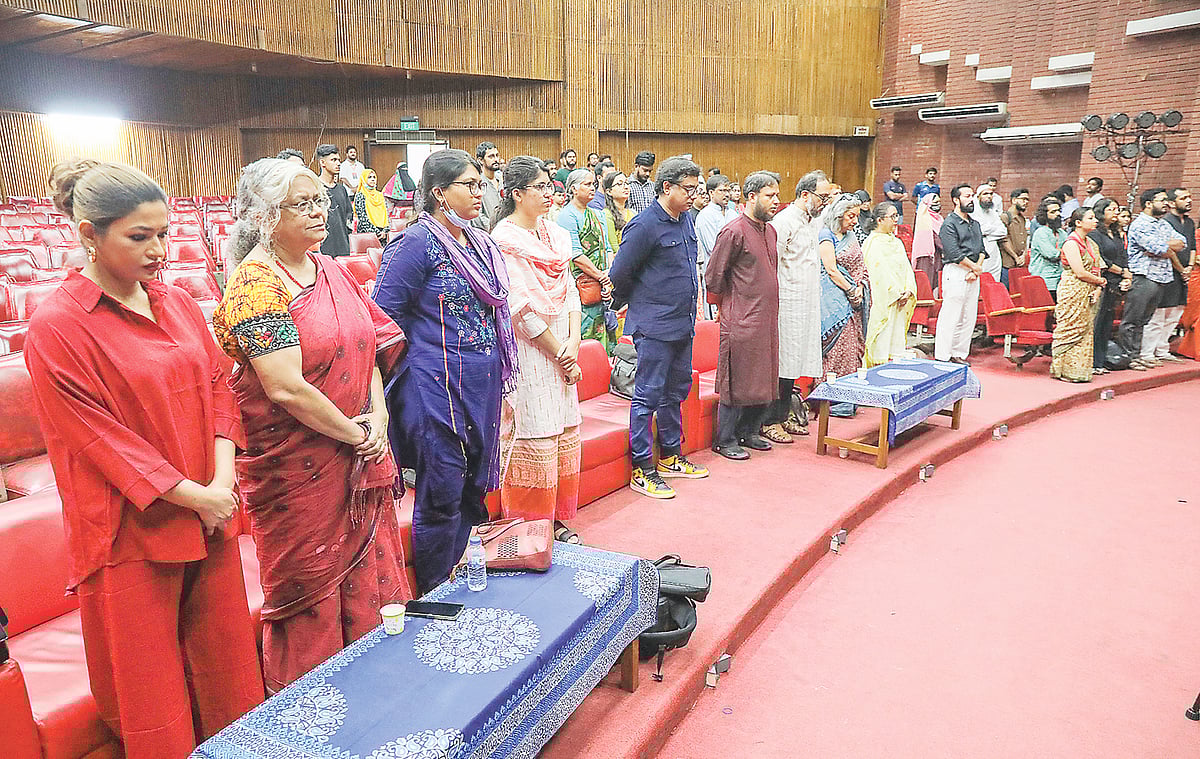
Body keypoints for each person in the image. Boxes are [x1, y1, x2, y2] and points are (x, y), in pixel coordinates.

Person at [27, 160, 263, 755]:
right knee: (150, 696)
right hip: (132, 532)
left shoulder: (177, 301)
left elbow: (217, 387)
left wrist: (222, 482)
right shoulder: (58, 326)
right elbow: (99, 440)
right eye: (140, 237)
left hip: (209, 514)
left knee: (228, 675)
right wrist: (199, 496)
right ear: (88, 234)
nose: (160, 250)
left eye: (162, 233)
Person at [212, 158, 411, 691]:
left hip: (360, 446)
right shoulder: (254, 286)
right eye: (302, 204)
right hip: (296, 468)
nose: (319, 210)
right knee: (310, 590)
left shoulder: (331, 268)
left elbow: (366, 343)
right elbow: (284, 386)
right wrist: (355, 433)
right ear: (262, 217)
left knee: (370, 570)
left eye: (319, 200)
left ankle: (377, 686)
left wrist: (380, 415)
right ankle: (309, 707)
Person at [373, 149, 517, 594]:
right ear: (438, 193)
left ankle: (466, 576)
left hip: (481, 384)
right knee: (442, 489)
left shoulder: (479, 241)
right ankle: (437, 592)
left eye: (480, 184)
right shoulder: (415, 244)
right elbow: (380, 317)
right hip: (435, 387)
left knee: (474, 486)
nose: (480, 192)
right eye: (469, 185)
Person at [491, 157, 584, 544]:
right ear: (517, 194)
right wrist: (559, 350)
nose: (550, 193)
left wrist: (574, 345)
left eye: (551, 186)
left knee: (563, 431)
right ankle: (529, 525)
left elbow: (572, 294)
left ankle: (558, 520)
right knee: (535, 431)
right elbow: (520, 308)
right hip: (532, 351)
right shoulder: (504, 240)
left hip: (564, 345)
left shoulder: (555, 235)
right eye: (540, 187)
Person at [609, 155, 710, 499]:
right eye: (688, 189)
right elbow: (620, 273)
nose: (693, 196)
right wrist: (635, 305)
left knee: (675, 391)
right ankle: (643, 467)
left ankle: (670, 455)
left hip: (682, 323)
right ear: (666, 187)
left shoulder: (685, 220)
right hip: (654, 325)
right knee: (648, 394)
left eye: (696, 189)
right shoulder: (644, 225)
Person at [704, 171, 781, 457]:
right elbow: (714, 277)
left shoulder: (770, 231)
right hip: (742, 319)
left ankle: (750, 431)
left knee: (763, 376)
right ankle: (725, 439)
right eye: (769, 196)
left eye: (776, 196)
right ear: (751, 197)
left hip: (767, 318)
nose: (776, 202)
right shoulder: (734, 231)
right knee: (737, 379)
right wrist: (732, 305)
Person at [766, 170, 832, 436]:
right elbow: (773, 263)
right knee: (782, 365)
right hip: (787, 303)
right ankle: (770, 421)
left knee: (793, 364)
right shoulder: (784, 221)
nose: (825, 202)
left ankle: (783, 416)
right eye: (822, 197)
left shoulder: (809, 221)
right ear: (805, 195)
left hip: (805, 304)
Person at [1118, 188, 1186, 371]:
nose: (1166, 203)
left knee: (1143, 320)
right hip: (1143, 276)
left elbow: (1182, 242)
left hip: (1161, 277)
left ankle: (1138, 355)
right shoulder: (1140, 224)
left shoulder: (1163, 223)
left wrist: (1163, 246)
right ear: (1148, 204)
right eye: (1161, 200)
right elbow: (1158, 248)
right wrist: (1164, 247)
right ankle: (1128, 357)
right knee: (1132, 320)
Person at [818, 193, 872, 414]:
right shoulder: (825, 234)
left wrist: (860, 288)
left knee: (851, 350)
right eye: (851, 216)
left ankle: (847, 399)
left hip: (853, 301)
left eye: (856, 216)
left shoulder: (851, 236)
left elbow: (861, 266)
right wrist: (850, 290)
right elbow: (830, 269)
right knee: (836, 349)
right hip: (832, 300)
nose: (854, 221)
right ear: (839, 215)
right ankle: (829, 398)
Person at [556, 168, 616, 354]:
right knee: (583, 336)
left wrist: (608, 276)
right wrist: (601, 276)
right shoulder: (567, 216)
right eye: (587, 184)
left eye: (593, 184)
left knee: (606, 333)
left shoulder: (598, 215)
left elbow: (607, 248)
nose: (593, 188)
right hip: (580, 287)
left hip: (602, 286)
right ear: (574, 189)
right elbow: (575, 254)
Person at [1049, 209, 1106, 382]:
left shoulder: (1092, 244)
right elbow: (1080, 272)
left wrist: (1098, 288)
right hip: (1073, 289)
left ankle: (1079, 372)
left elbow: (1098, 268)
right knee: (1070, 328)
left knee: (1086, 329)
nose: (1095, 220)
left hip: (1090, 289)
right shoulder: (1071, 243)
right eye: (1090, 218)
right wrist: (1100, 281)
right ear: (1078, 222)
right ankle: (1061, 369)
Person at [935, 184, 984, 365]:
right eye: (967, 196)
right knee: (951, 314)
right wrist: (973, 268)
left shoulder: (975, 224)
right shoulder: (949, 224)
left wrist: (976, 269)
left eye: (972, 196)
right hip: (956, 271)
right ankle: (943, 355)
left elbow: (982, 250)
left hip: (973, 272)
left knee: (968, 316)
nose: (971, 199)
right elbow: (953, 252)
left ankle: (959, 354)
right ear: (956, 200)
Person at [863, 203, 916, 366]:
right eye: (892, 216)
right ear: (879, 220)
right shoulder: (872, 243)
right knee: (881, 341)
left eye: (897, 216)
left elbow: (907, 269)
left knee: (895, 344)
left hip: (900, 301)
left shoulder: (897, 242)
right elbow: (877, 275)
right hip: (884, 301)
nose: (896, 220)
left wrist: (908, 290)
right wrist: (895, 294)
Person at [1089, 198, 1131, 375]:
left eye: (1117, 209)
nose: (1115, 212)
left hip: (1115, 283)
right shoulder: (1094, 234)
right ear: (1101, 212)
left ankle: (1100, 362)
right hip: (1101, 281)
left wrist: (1127, 275)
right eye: (1111, 209)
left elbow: (1122, 255)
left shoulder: (1116, 233)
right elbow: (1102, 261)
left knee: (1106, 325)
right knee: (1096, 324)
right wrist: (1122, 272)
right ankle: (1090, 362)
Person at [1158, 187, 1195, 362]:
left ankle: (1163, 348)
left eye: (1189, 197)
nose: (1188, 200)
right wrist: (1181, 269)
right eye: (1183, 198)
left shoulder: (1189, 222)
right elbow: (1168, 249)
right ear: (1172, 203)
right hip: (1168, 272)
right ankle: (1152, 350)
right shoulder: (1165, 221)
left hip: (1186, 273)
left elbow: (1192, 247)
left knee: (1176, 312)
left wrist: (1189, 267)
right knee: (1161, 312)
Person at [315, 144, 352, 257]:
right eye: (333, 160)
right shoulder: (315, 189)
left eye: (338, 160)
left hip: (343, 247)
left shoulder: (341, 189)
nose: (338, 163)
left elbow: (348, 217)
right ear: (322, 163)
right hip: (323, 248)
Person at [1029, 197, 1067, 299]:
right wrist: (1064, 252)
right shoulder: (1041, 232)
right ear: (1045, 215)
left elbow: (1070, 250)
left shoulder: (1062, 233)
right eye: (1053, 212)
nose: (1058, 214)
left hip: (1061, 279)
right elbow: (1052, 254)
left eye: (1059, 211)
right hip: (1044, 280)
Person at [1000, 188, 1030, 285]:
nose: (1026, 202)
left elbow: (1024, 239)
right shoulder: (1005, 217)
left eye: (1027, 200)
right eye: (1023, 199)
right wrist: (1015, 257)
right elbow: (1004, 240)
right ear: (1014, 200)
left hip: (1019, 265)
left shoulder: (1022, 218)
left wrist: (1023, 255)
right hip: (1007, 264)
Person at [911, 192, 943, 285]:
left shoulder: (939, 218)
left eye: (939, 202)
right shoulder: (925, 218)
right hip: (926, 256)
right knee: (926, 282)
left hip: (938, 256)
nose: (938, 205)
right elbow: (936, 238)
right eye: (935, 203)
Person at [353, 169, 390, 244]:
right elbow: (363, 218)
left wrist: (384, 231)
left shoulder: (380, 195)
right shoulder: (360, 195)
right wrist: (377, 232)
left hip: (383, 235)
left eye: (374, 177)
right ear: (364, 179)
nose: (372, 179)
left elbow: (386, 216)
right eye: (369, 177)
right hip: (367, 235)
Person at [473, 141, 503, 230]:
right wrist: (495, 230)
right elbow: (477, 216)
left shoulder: (502, 180)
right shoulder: (477, 184)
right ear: (481, 160)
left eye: (497, 155)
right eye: (491, 156)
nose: (496, 159)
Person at [601, 170, 634, 249]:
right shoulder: (606, 214)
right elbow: (613, 247)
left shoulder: (633, 213)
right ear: (609, 191)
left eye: (627, 183)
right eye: (619, 184)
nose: (626, 187)